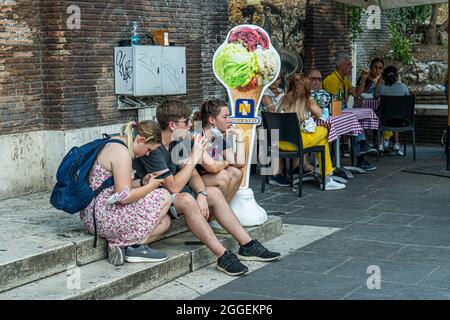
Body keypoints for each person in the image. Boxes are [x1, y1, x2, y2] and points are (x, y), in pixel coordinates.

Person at [133, 99, 281, 276]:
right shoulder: (154, 148)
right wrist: (195, 157)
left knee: (213, 193)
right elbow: (173, 187)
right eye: (186, 121)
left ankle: (247, 244)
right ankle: (222, 255)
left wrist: (202, 193)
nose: (190, 124)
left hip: (174, 194)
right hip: (155, 198)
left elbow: (193, 174)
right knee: (188, 199)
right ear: (172, 125)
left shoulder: (178, 140)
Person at [80, 121, 172, 266]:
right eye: (148, 149)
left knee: (165, 222)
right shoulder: (121, 153)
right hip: (103, 215)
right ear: (141, 140)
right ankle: (136, 248)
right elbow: (124, 197)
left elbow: (116, 185)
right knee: (164, 196)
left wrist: (142, 182)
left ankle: (121, 247)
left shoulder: (116, 143)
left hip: (95, 212)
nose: (147, 154)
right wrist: (152, 186)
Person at [278, 73, 346, 191]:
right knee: (324, 131)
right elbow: (321, 114)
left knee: (321, 141)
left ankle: (327, 178)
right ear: (306, 86)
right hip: (296, 143)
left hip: (280, 142)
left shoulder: (283, 98)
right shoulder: (306, 100)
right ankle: (327, 179)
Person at [322, 54, 377, 172]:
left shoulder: (344, 80)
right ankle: (361, 151)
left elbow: (357, 94)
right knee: (353, 119)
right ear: (341, 66)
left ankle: (361, 153)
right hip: (332, 116)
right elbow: (336, 103)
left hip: (341, 114)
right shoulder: (332, 80)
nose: (351, 67)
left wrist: (363, 79)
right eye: (349, 64)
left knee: (356, 120)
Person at [192, 99, 245, 203]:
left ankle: (219, 212)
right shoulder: (197, 134)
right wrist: (225, 163)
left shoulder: (218, 137)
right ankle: (216, 212)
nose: (229, 120)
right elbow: (213, 168)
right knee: (223, 176)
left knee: (237, 172)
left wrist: (239, 135)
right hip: (193, 182)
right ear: (212, 120)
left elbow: (239, 163)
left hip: (208, 177)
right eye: (225, 117)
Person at [376, 65, 410, 155]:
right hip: (402, 120)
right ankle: (396, 144)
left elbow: (375, 96)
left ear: (383, 77)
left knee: (383, 114)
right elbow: (408, 99)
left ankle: (380, 145)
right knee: (396, 113)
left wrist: (380, 80)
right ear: (397, 76)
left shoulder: (380, 87)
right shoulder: (403, 86)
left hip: (384, 121)